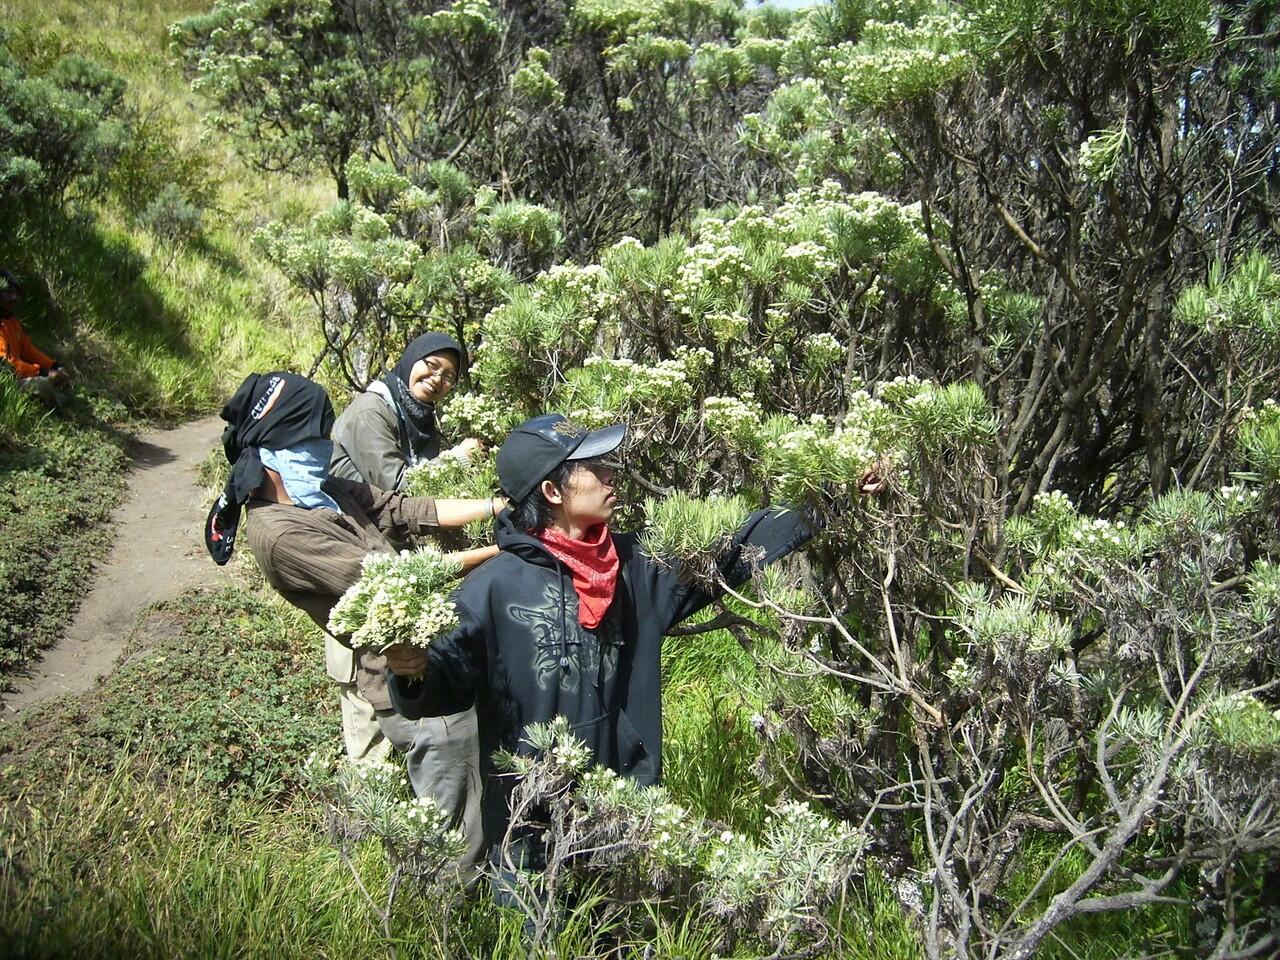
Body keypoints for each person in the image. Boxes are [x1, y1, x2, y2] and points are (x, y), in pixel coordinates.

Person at [384, 413, 886, 884]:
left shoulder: (636, 566)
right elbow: (438, 689)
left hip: (625, 805)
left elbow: (735, 544)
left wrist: (830, 495)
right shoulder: (488, 589)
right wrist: (410, 672)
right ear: (551, 490)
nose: (611, 476)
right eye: (594, 469)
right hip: (527, 821)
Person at [204, 371, 501, 866]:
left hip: (435, 662)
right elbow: (396, 577)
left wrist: (495, 506)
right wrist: (503, 549)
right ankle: (446, 915)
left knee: (464, 792)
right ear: (272, 451)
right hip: (405, 681)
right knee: (452, 821)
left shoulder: (323, 492)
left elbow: (404, 508)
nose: (323, 448)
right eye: (309, 440)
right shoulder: (280, 534)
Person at [329, 331, 483, 491]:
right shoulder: (370, 411)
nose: (437, 379)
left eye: (448, 377)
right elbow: (395, 487)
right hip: (347, 513)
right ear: (413, 358)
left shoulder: (423, 424)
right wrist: (458, 459)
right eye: (432, 365)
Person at [0, 269, 69, 404]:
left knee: (55, 386)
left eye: (16, 293)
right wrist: (42, 372)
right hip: (5, 384)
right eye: (8, 292)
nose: (14, 298)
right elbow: (6, 365)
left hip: (15, 378)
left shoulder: (12, 322)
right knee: (42, 386)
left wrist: (54, 366)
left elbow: (29, 351)